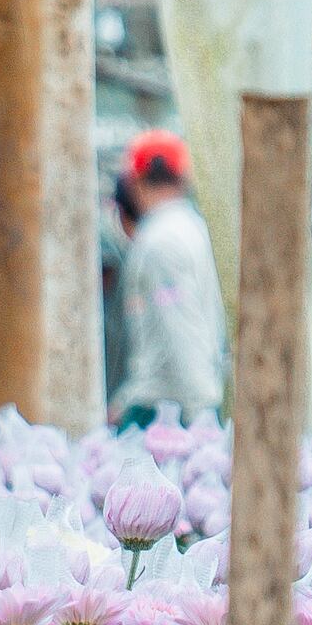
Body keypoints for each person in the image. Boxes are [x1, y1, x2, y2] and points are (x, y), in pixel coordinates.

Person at [106, 133, 222, 424]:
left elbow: (178, 322)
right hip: (183, 398)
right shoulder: (192, 228)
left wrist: (201, 413)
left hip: (165, 408)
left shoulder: (160, 242)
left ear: (134, 182)